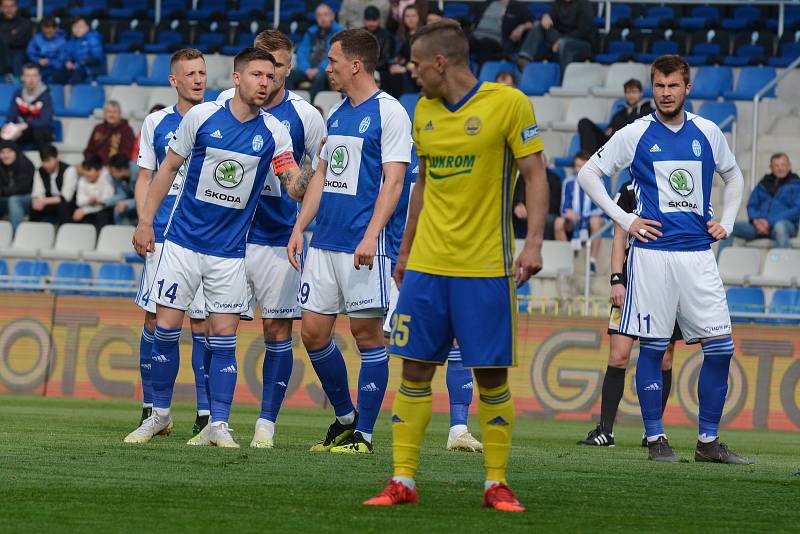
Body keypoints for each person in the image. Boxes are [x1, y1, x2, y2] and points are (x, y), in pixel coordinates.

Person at [364, 20, 548, 511]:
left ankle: (496, 483)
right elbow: (422, 187)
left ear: (441, 63)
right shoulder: (422, 111)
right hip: (427, 266)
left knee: (490, 377)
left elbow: (535, 174)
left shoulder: (509, 104)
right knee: (415, 370)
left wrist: (532, 244)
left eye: (417, 65)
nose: (412, 73)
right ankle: (402, 479)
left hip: (485, 267)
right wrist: (404, 252)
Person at [128, 47, 312, 447]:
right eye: (257, 75)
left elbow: (293, 182)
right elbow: (168, 170)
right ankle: (158, 414)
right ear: (237, 77)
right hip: (181, 244)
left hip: (229, 252)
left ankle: (219, 426)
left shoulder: (274, 131)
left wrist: (311, 175)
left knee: (224, 338)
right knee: (165, 330)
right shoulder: (202, 116)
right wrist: (146, 222)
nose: (265, 83)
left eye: (270, 76)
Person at [576, 54, 752, 464]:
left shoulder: (708, 131)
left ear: (687, 88)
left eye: (673, 85)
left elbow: (735, 174)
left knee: (721, 348)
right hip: (652, 256)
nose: (666, 92)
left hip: (698, 255)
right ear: (651, 88)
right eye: (659, 85)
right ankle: (656, 438)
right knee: (653, 349)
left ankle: (708, 442)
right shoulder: (636, 132)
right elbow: (588, 175)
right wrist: (626, 219)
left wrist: (725, 220)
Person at [286, 28, 411, 455]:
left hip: (364, 246)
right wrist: (300, 226)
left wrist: (372, 235)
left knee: (366, 335)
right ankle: (346, 417)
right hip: (324, 244)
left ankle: (366, 435)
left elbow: (394, 182)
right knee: (313, 333)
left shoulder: (390, 113)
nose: (327, 68)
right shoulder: (336, 113)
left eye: (333, 60)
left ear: (355, 64)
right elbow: (320, 176)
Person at [209, 30, 326, 449]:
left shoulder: (305, 116)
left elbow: (319, 172)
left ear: (288, 68)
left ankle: (266, 424)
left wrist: (302, 213)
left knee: (278, 331)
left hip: (279, 241)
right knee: (216, 328)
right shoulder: (222, 104)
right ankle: (214, 421)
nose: (268, 74)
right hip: (231, 238)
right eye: (261, 64)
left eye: (276, 65)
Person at [125, 49, 214, 443]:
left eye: (202, 73)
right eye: (189, 74)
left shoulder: (220, 118)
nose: (198, 79)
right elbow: (145, 177)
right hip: (163, 237)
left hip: (206, 238)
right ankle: (153, 407)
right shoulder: (156, 123)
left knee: (204, 326)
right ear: (173, 80)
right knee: (153, 321)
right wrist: (144, 222)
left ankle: (206, 412)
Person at [384, 144, 483, 452]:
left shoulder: (456, 153)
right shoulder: (395, 155)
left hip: (446, 257)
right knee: (386, 342)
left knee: (458, 338)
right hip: (401, 260)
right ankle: (368, 425)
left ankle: (458, 428)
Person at [577, 178, 677, 447]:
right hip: (632, 283)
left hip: (668, 283)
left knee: (665, 358)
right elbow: (620, 236)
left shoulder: (675, 185)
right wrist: (616, 279)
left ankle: (652, 431)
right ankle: (605, 431)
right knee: (618, 356)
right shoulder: (630, 190)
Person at [717, 153, 800, 255]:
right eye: (776, 165)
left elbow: (797, 209)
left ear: (789, 166)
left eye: (783, 165)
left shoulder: (796, 184)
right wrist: (756, 221)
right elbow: (751, 205)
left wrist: (770, 222)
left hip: (784, 225)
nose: (780, 168)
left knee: (780, 227)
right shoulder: (762, 184)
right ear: (771, 167)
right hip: (759, 227)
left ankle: (781, 268)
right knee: (729, 228)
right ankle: (718, 267)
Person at [554, 151, 605, 272]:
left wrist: (584, 216)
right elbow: (563, 208)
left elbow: (601, 207)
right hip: (574, 220)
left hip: (592, 218)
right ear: (574, 167)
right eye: (578, 166)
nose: (580, 169)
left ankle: (592, 260)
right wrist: (569, 213)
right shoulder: (568, 182)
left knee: (595, 222)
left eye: (584, 165)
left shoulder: (597, 182)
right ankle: (566, 259)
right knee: (558, 223)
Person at [578, 79, 654, 155]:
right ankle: (588, 160)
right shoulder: (619, 114)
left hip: (631, 147)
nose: (631, 95)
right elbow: (609, 132)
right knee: (584, 122)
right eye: (628, 92)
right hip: (613, 145)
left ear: (641, 93)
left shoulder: (648, 112)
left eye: (634, 92)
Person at [517, 0, 595, 73]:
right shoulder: (559, 3)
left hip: (581, 42)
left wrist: (561, 40)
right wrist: (545, 17)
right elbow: (550, 18)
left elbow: (583, 31)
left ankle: (563, 78)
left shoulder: (584, 4)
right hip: (561, 37)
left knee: (564, 43)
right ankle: (525, 58)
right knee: (538, 25)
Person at [290, 4, 342, 100]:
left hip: (326, 70)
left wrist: (318, 69)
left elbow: (335, 56)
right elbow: (302, 52)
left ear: (332, 16)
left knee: (320, 76)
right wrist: (306, 69)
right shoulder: (311, 32)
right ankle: (291, 103)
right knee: (288, 75)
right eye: (319, 15)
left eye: (325, 15)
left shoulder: (339, 32)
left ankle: (311, 105)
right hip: (308, 70)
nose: (322, 18)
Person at [3, 63, 54, 152]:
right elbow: (11, 116)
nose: (31, 80)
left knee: (39, 133)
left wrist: (26, 124)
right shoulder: (18, 93)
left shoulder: (45, 95)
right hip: (23, 130)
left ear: (39, 77)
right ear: (22, 77)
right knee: (4, 134)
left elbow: (45, 121)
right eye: (28, 76)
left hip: (40, 130)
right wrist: (10, 127)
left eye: (34, 76)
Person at [512, 152, 560, 240]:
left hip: (546, 213)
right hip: (525, 213)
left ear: (546, 164)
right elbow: (517, 196)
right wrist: (518, 204)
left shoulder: (554, 179)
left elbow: (554, 204)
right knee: (512, 214)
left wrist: (534, 213)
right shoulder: (523, 177)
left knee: (549, 220)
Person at [468, 0, 533, 64]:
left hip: (495, 40)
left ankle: (481, 73)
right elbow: (474, 23)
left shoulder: (518, 6)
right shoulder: (486, 4)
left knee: (486, 45)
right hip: (475, 36)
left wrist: (521, 27)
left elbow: (530, 23)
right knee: (460, 42)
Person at [30, 144, 77, 224]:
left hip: (69, 203)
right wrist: (36, 201)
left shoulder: (69, 170)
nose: (46, 165)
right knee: (34, 207)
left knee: (63, 207)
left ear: (56, 158)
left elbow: (66, 197)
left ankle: (65, 233)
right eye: (43, 162)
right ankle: (33, 233)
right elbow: (37, 192)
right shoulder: (40, 171)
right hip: (49, 201)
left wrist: (44, 201)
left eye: (48, 161)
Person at [53, 16, 105, 84]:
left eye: (80, 26)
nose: (77, 29)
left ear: (87, 28)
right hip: (75, 69)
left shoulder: (93, 39)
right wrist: (67, 62)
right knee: (56, 75)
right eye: (74, 26)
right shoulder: (71, 42)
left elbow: (97, 58)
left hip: (90, 69)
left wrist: (80, 63)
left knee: (76, 76)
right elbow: (65, 56)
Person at [384, 5, 422, 96]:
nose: (410, 19)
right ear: (403, 19)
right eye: (407, 16)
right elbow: (396, 56)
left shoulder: (424, 35)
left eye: (413, 16)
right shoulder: (399, 36)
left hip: (419, 68)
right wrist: (404, 66)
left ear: (419, 17)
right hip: (404, 69)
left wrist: (408, 67)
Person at [84, 101, 136, 165]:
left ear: (120, 114)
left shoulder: (127, 130)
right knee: (72, 170)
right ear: (104, 114)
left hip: (114, 167)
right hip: (94, 166)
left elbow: (126, 154)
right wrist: (91, 162)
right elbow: (89, 150)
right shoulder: (98, 128)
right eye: (108, 112)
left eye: (114, 112)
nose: (111, 115)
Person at [73, 155, 114, 230]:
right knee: (76, 214)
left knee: (102, 215)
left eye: (89, 170)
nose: (86, 173)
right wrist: (90, 200)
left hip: (104, 211)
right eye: (85, 170)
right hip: (88, 209)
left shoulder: (106, 179)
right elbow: (79, 201)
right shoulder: (82, 180)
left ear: (99, 170)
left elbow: (107, 202)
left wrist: (85, 210)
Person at [0, 140, 34, 228]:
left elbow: (22, 188)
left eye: (9, 152)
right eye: (2, 152)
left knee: (14, 200)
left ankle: (16, 236)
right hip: (7, 198)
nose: (5, 155)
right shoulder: (1, 164)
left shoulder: (25, 164)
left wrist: (3, 191)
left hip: (28, 199)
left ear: (15, 152)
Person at [26, 17, 66, 83]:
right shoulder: (36, 39)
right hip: (39, 65)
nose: (47, 34)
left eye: (50, 32)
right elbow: (30, 52)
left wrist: (49, 62)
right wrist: (38, 60)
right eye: (45, 32)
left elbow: (62, 58)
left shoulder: (61, 41)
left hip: (55, 68)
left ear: (56, 29)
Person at [363, 6, 395, 87]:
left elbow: (386, 59)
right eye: (369, 20)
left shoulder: (386, 36)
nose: (371, 23)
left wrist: (370, 68)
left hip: (381, 69)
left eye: (374, 20)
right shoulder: (360, 34)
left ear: (379, 20)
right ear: (364, 20)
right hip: (362, 67)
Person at [0, 0, 33, 75]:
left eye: (11, 6)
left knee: (17, 57)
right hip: (2, 52)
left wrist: (4, 38)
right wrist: (11, 36)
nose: (9, 9)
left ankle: (17, 82)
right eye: (5, 7)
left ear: (16, 7)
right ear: (1, 8)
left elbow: (21, 41)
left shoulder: (25, 22)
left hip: (19, 52)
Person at [106, 154, 138, 225]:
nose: (110, 174)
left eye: (112, 172)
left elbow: (147, 197)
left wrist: (127, 203)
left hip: (152, 204)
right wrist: (104, 201)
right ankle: (121, 233)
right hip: (134, 204)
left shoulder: (140, 171)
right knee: (118, 209)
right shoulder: (120, 179)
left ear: (120, 169)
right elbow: (122, 195)